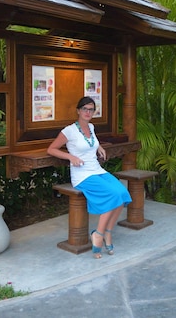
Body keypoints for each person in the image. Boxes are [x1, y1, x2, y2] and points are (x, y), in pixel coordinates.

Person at [47, 96, 132, 259]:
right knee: (113, 196)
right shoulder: (69, 131)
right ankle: (98, 234)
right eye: (85, 109)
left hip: (96, 170)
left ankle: (107, 232)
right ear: (78, 111)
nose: (88, 112)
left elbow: (90, 141)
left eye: (91, 109)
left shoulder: (91, 127)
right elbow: (51, 149)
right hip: (82, 175)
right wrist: (70, 157)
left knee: (122, 193)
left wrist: (99, 146)